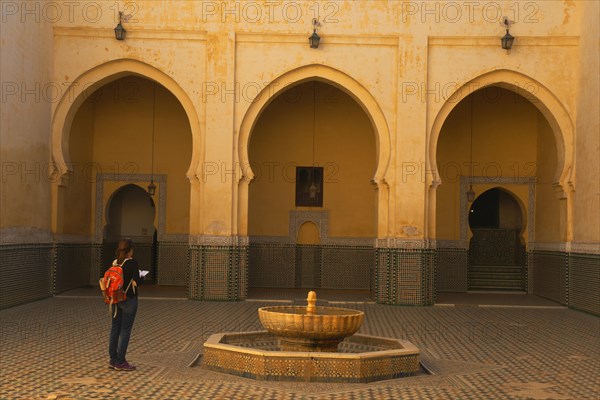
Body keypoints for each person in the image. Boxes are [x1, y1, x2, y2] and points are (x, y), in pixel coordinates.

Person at [108, 238, 145, 371]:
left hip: (115, 299)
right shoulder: (132, 263)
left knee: (114, 329)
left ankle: (113, 360)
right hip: (129, 300)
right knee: (125, 330)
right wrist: (142, 277)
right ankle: (121, 361)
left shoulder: (115, 262)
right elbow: (137, 281)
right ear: (130, 250)